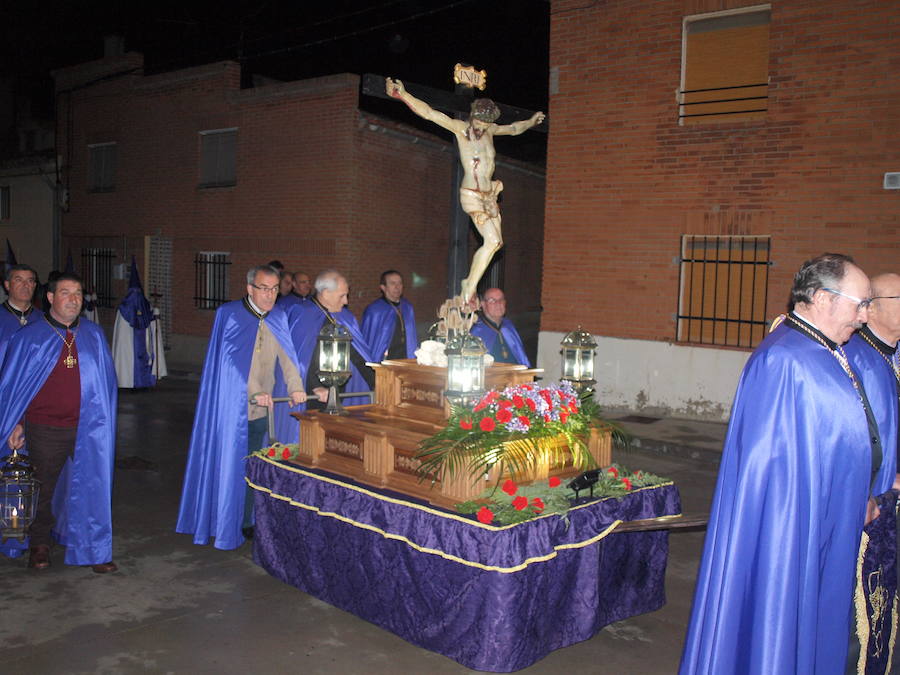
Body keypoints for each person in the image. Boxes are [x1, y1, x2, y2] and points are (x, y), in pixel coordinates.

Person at [681, 253, 884, 674]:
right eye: (859, 303)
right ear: (824, 298)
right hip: (790, 528)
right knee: (779, 619)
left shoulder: (824, 349)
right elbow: (770, 473)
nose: (865, 316)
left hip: (828, 518)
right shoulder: (785, 359)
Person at [176, 265, 307, 550]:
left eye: (274, 289)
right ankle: (221, 520)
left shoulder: (279, 317)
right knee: (229, 464)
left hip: (263, 409)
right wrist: (254, 391)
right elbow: (229, 364)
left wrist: (296, 386)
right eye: (264, 288)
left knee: (253, 464)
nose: (270, 295)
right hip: (230, 410)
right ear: (250, 289)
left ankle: (246, 520)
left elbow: (288, 358)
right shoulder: (230, 314)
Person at [386, 77, 545, 302]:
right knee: (491, 241)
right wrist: (402, 94)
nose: (482, 126)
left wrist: (531, 121)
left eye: (486, 122)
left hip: (490, 195)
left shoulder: (491, 130)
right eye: (480, 121)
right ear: (473, 116)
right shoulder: (461, 129)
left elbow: (514, 128)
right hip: (472, 195)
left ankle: (469, 284)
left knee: (496, 243)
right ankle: (468, 287)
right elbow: (430, 113)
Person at [0, 273, 118, 572]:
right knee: (43, 489)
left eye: (78, 293)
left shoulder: (93, 334)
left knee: (93, 487)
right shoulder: (29, 337)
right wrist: (15, 424)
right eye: (65, 293)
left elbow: (106, 385)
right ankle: (39, 544)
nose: (73, 299)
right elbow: (13, 388)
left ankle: (94, 548)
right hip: (44, 428)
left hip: (89, 427)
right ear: (50, 298)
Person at [843, 272, 900, 672]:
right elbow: (855, 437)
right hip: (874, 510)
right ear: (874, 307)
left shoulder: (888, 356)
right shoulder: (860, 359)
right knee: (864, 619)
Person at [111, 257, 166, 388]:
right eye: (134, 293)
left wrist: (155, 315)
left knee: (142, 355)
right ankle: (127, 380)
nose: (136, 296)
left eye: (137, 293)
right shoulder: (124, 309)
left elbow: (148, 319)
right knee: (129, 357)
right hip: (129, 342)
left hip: (142, 342)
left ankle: (142, 381)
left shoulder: (141, 306)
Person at [361, 270, 419, 361]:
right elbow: (369, 339)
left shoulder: (407, 307)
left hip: (405, 357)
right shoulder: (375, 310)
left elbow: (412, 336)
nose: (397, 287)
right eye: (393, 283)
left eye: (400, 283)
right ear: (383, 287)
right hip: (385, 360)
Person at [470, 287, 530, 366]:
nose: (498, 304)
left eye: (501, 300)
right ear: (483, 304)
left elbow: (521, 358)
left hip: (514, 375)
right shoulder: (477, 330)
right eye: (492, 300)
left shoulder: (509, 326)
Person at [0, 264, 40, 361]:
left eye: (30, 281)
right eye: (19, 280)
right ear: (7, 285)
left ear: (34, 286)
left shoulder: (45, 319)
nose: (25, 285)